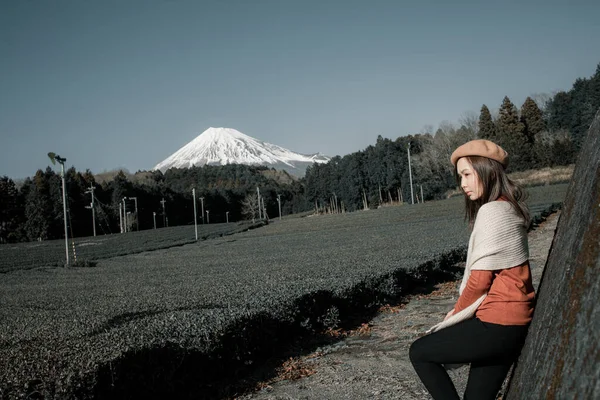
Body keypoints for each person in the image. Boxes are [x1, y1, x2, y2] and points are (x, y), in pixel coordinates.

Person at [409, 139, 535, 400]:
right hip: (515, 324)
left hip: (497, 323)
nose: (463, 184)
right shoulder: (508, 207)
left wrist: (455, 315)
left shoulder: (491, 211)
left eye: (467, 174)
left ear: (487, 171)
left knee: (419, 353)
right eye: (460, 177)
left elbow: (478, 282)